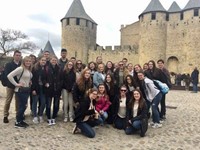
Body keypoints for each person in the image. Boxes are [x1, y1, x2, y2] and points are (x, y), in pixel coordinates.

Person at [7, 56, 32, 128]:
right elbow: (9, 76)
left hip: (26, 89)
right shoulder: (20, 68)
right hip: (20, 90)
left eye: (29, 61)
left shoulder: (28, 70)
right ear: (24, 62)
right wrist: (16, 84)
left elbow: (26, 78)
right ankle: (17, 122)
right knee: (21, 106)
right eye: (27, 61)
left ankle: (20, 120)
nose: (28, 62)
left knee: (24, 106)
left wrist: (29, 82)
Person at [42, 56, 63, 125]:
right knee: (48, 104)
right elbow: (43, 78)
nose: (54, 61)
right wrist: (45, 83)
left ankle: (54, 117)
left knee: (56, 104)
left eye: (55, 60)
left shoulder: (59, 69)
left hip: (57, 89)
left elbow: (61, 79)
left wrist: (59, 85)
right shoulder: (47, 68)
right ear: (50, 61)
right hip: (49, 89)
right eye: (52, 60)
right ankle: (48, 117)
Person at [3, 50, 22, 123]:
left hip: (18, 85)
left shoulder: (21, 65)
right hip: (10, 85)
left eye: (19, 55)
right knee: (8, 101)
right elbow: (7, 75)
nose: (18, 57)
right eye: (16, 55)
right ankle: (5, 115)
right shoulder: (9, 64)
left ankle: (18, 114)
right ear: (14, 56)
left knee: (18, 101)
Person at [31, 56, 47, 123]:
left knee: (43, 102)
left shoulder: (45, 68)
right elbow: (32, 79)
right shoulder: (34, 68)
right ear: (39, 60)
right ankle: (35, 116)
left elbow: (45, 79)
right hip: (36, 87)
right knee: (35, 102)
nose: (43, 61)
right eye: (42, 60)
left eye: (45, 60)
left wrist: (46, 83)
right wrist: (33, 89)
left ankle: (40, 115)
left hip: (42, 88)